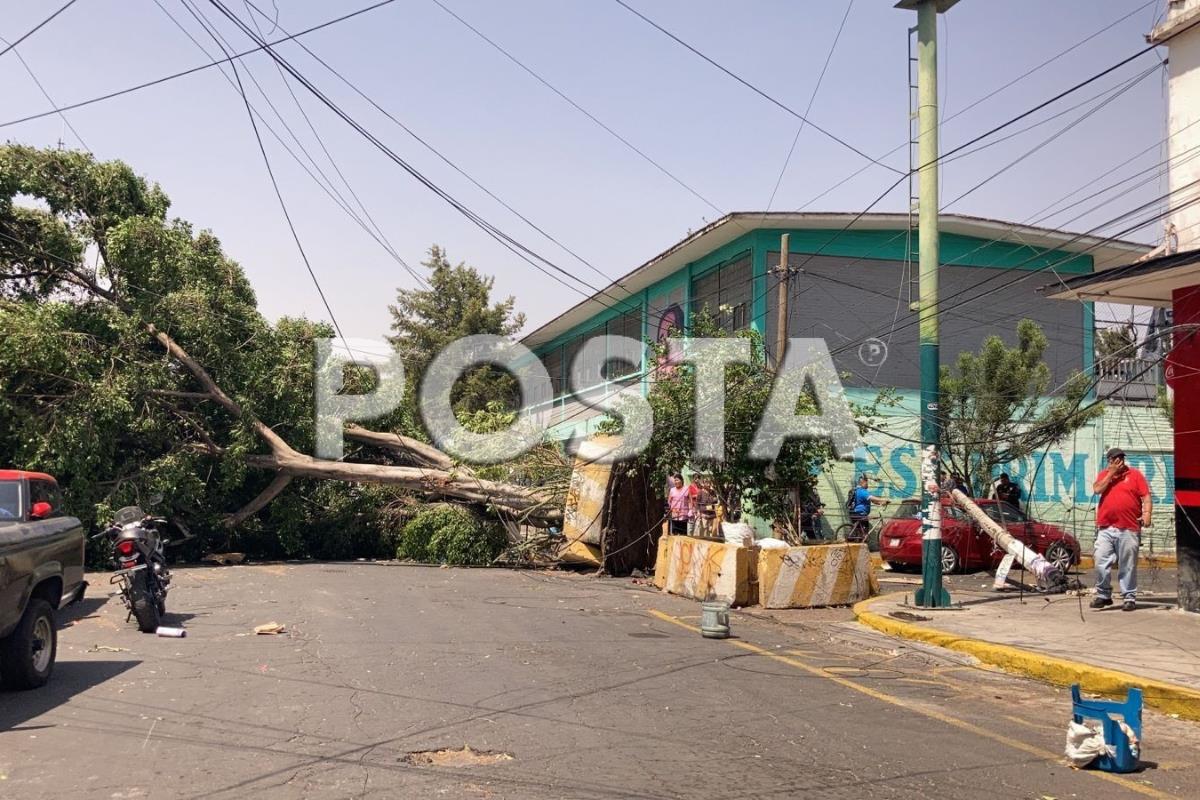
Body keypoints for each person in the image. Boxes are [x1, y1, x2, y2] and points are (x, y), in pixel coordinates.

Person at [1090, 448, 1151, 611]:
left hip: (1129, 527)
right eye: (1116, 459)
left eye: (1121, 458)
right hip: (1106, 527)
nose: (1120, 462)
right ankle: (1103, 595)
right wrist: (1111, 474)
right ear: (1110, 461)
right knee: (1100, 561)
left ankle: (1129, 597)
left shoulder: (1135, 475)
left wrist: (1147, 514)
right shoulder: (1104, 474)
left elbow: (1146, 496)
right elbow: (1097, 490)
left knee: (1128, 564)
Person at [848, 474, 889, 542]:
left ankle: (861, 542)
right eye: (867, 482)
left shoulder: (858, 491)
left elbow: (873, 501)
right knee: (865, 531)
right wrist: (884, 499)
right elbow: (872, 497)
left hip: (856, 513)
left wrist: (881, 503)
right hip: (860, 513)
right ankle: (861, 541)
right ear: (863, 482)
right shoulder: (862, 491)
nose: (868, 484)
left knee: (862, 532)